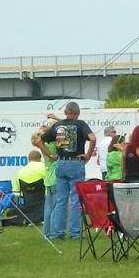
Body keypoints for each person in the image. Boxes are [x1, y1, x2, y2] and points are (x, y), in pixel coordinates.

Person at [38, 102, 96, 241]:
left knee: (61, 199)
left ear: (65, 112)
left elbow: (39, 141)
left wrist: (51, 156)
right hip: (75, 162)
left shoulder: (58, 126)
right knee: (75, 199)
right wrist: (88, 155)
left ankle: (58, 232)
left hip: (60, 163)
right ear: (78, 113)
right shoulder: (80, 124)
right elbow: (93, 138)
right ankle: (75, 232)